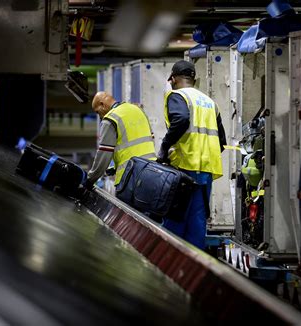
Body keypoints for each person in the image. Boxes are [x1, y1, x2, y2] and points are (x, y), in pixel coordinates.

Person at [157, 60, 226, 249]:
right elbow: (222, 141)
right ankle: (194, 267)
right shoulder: (210, 103)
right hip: (205, 170)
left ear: (174, 78)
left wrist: (165, 147)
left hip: (184, 167)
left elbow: (181, 119)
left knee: (175, 219)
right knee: (197, 222)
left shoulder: (177, 96)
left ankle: (169, 264)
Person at [85, 91, 156, 189]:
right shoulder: (137, 109)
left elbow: (104, 155)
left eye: (98, 112)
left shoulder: (110, 119)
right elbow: (148, 140)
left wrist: (89, 180)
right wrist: (115, 168)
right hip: (153, 172)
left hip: (130, 178)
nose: (100, 117)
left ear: (102, 104)